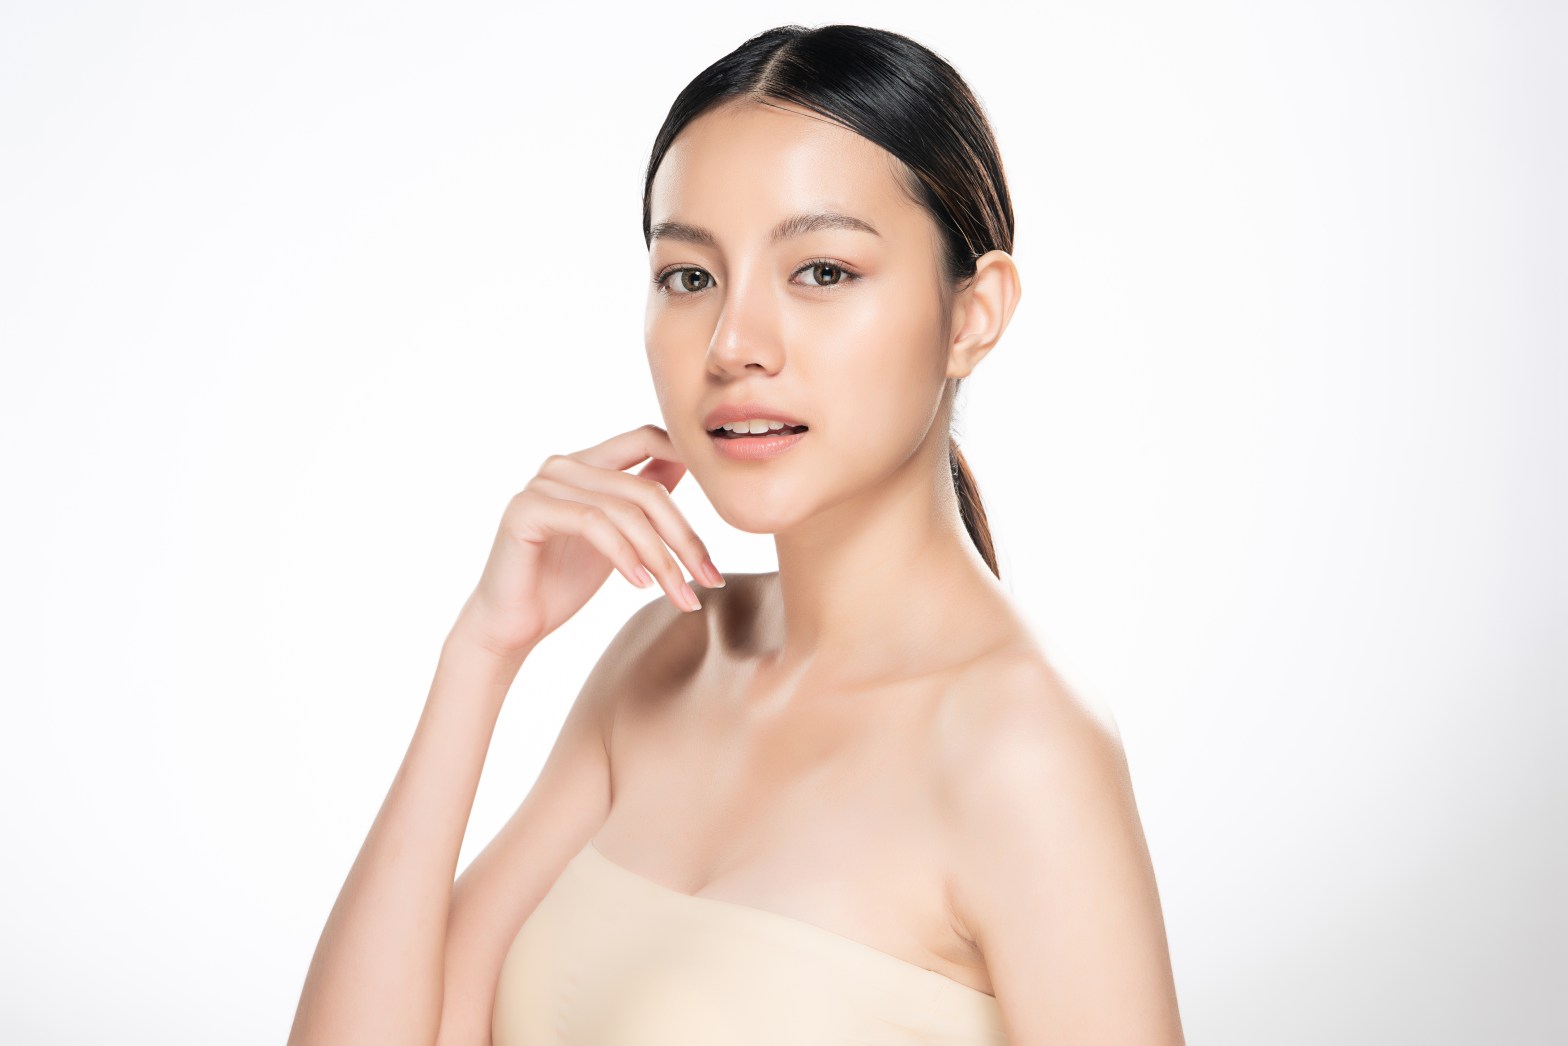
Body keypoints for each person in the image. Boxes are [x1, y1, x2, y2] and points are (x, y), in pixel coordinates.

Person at [288, 23, 1184, 1046]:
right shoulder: (669, 655)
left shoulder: (1019, 745)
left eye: (822, 271)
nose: (733, 345)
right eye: (689, 277)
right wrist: (482, 652)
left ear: (972, 315)